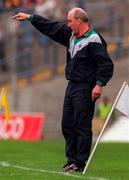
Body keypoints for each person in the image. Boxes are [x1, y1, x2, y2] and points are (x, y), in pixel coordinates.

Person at [11, 7, 114, 172]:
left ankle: (80, 163)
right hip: (72, 85)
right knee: (67, 124)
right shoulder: (71, 35)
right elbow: (51, 27)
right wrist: (31, 18)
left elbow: (106, 64)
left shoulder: (94, 39)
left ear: (79, 21)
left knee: (81, 124)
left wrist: (99, 84)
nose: (68, 24)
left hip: (86, 86)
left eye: (70, 21)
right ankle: (71, 159)